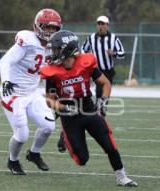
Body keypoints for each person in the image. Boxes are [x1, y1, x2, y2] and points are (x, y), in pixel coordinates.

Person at [40, 30, 137, 187]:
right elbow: (50, 101)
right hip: (69, 117)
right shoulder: (52, 72)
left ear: (67, 49)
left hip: (88, 109)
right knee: (82, 160)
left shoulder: (86, 63)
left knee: (109, 144)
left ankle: (122, 176)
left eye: (56, 49)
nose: (53, 53)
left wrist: (103, 101)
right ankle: (65, 134)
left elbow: (105, 83)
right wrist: (64, 108)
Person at [0, 8, 62, 175]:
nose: (49, 31)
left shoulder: (54, 46)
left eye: (53, 28)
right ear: (37, 26)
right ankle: (13, 161)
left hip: (32, 92)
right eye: (46, 27)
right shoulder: (27, 41)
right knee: (22, 136)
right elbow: (4, 61)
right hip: (13, 92)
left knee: (48, 126)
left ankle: (34, 154)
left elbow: (55, 72)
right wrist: (5, 81)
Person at [81, 15, 125, 98]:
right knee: (99, 92)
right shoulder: (91, 38)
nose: (100, 26)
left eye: (103, 24)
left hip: (108, 71)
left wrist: (114, 53)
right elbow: (83, 49)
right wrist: (87, 59)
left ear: (107, 26)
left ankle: (101, 109)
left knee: (105, 95)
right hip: (97, 70)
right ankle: (99, 109)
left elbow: (122, 53)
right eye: (98, 24)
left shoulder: (114, 38)